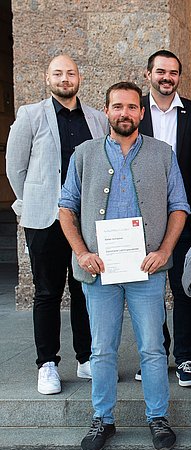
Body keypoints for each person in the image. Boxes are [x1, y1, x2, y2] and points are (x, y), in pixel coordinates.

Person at [59, 82, 190, 450]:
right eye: (118, 107)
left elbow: (178, 205)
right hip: (99, 271)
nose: (125, 113)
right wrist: (82, 253)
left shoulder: (163, 153)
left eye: (132, 107)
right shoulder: (84, 154)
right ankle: (103, 418)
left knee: (152, 348)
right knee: (102, 349)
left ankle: (158, 418)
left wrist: (165, 250)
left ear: (142, 113)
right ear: (107, 111)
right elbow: (66, 208)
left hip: (146, 270)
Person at [6, 55, 106, 395]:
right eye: (58, 73)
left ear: (79, 78)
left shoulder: (96, 118)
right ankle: (47, 363)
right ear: (47, 78)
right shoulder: (30, 116)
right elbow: (15, 168)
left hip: (84, 219)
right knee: (47, 293)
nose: (65, 79)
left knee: (84, 290)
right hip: (45, 220)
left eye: (71, 73)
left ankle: (86, 357)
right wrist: (30, 202)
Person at [139, 49, 191, 387]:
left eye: (173, 73)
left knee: (184, 290)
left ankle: (185, 358)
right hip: (142, 219)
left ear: (180, 77)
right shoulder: (134, 111)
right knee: (148, 289)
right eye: (161, 71)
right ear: (149, 74)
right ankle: (155, 352)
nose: (167, 78)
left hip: (185, 216)